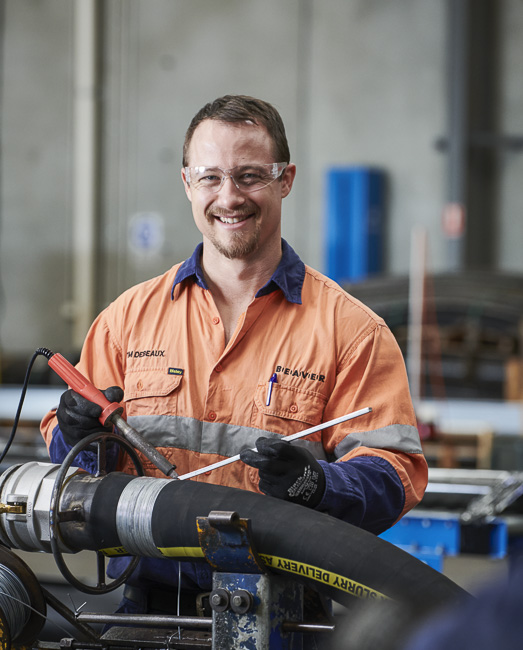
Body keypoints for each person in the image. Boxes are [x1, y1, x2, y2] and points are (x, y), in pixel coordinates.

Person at [41, 95, 427, 628]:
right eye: (210, 178)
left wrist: (318, 486)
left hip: (289, 621)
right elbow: (79, 476)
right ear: (186, 183)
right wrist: (73, 433)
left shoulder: (351, 331)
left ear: (285, 179)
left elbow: (395, 473)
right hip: (148, 613)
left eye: (249, 176)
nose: (230, 197)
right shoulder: (126, 319)